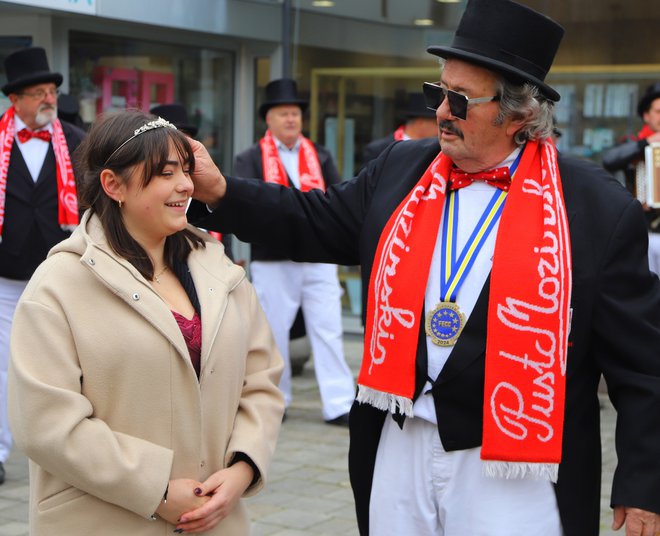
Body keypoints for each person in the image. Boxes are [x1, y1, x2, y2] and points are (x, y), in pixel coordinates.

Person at [188, 0, 660, 534]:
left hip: (514, 462)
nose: (441, 112)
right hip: (398, 437)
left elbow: (642, 363)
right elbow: (312, 219)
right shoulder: (402, 168)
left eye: (460, 101)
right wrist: (221, 190)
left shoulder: (595, 207)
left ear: (520, 115)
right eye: (439, 93)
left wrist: (645, 483)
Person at [8, 110, 284, 535]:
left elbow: (261, 380)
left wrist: (243, 468)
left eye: (186, 171)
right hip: (103, 521)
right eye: (165, 173)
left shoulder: (217, 268)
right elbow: (46, 424)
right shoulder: (59, 285)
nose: (186, 186)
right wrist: (154, 488)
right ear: (112, 185)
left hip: (215, 521)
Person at [227, 78, 355, 426]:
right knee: (274, 331)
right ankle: (276, 400)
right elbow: (246, 206)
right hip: (274, 257)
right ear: (268, 119)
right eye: (283, 113)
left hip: (319, 258)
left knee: (329, 328)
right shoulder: (249, 158)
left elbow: (336, 201)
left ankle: (340, 402)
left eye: (295, 113)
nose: (291, 119)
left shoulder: (320, 155)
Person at [0, 46, 86, 486]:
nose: (48, 99)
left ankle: (65, 448)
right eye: (38, 92)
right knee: (1, 362)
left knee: (65, 361)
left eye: (51, 91)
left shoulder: (73, 139)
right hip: (7, 270)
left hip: (60, 270)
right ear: (15, 100)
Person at [151, 102, 236, 262]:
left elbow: (226, 244)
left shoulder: (207, 186)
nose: (180, 146)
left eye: (186, 138)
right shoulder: (152, 193)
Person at [602, 83, 660, 273]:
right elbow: (609, 160)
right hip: (642, 232)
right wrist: (647, 142)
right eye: (659, 111)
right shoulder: (633, 144)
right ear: (646, 116)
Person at [362, 91, 438, 165]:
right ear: (421, 122)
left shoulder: (436, 150)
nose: (439, 129)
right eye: (436, 124)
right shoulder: (378, 150)